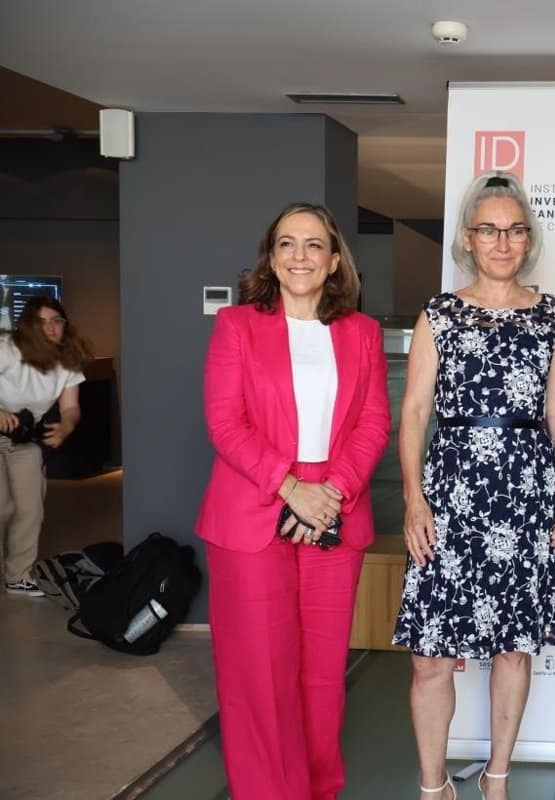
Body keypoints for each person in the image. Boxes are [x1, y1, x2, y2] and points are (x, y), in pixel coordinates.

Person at [393, 171, 555, 800]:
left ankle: (496, 778)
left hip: (527, 493)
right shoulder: (439, 314)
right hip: (449, 495)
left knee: (513, 648)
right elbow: (415, 411)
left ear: (528, 240)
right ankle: (433, 786)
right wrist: (414, 499)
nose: (503, 242)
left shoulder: (550, 316)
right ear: (468, 239)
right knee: (430, 655)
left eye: (514, 230)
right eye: (489, 230)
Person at [195, 202, 391, 799]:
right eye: (287, 243)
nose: (299, 256)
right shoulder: (236, 325)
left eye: (313, 245)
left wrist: (331, 492)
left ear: (333, 261)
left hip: (334, 506)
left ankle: (318, 787)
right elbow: (225, 423)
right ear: (271, 257)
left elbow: (373, 423)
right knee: (259, 672)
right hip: (254, 508)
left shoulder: (362, 332)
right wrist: (291, 489)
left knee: (322, 672)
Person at [0, 296, 89, 596]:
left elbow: (70, 408)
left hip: (24, 436)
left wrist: (65, 427)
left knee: (30, 509)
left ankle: (18, 576)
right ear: (28, 326)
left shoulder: (67, 360)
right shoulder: (7, 348)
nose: (50, 327)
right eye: (41, 322)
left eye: (56, 320)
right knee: (3, 507)